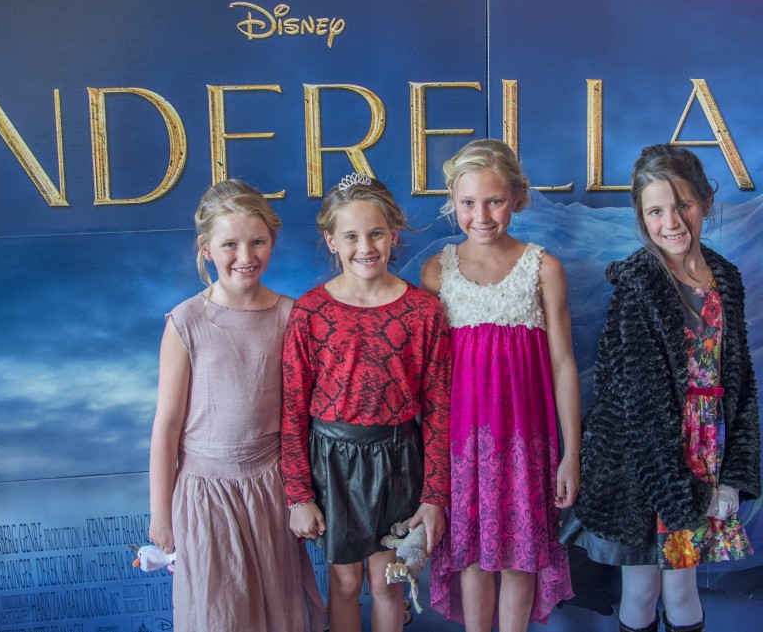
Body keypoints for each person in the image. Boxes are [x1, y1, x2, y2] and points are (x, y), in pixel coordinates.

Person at [561, 144, 759, 632]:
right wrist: (688, 496)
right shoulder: (638, 287)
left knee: (683, 586)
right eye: (655, 210)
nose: (671, 222)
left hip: (706, 453)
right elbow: (641, 410)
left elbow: (741, 384)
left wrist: (732, 475)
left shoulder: (725, 280)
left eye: (683, 205)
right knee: (648, 586)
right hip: (647, 466)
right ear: (640, 215)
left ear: (706, 203)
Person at [147, 180, 325, 632]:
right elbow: (167, 426)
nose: (245, 257)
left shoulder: (291, 315)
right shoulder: (186, 322)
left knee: (277, 609)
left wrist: (303, 494)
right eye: (230, 245)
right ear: (207, 249)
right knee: (218, 614)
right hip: (205, 491)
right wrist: (161, 515)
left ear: (272, 242)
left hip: (270, 488)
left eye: (257, 242)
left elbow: (301, 417)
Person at [281, 173, 451, 632]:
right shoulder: (310, 312)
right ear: (331, 240)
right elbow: (293, 408)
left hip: (399, 459)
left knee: (389, 580)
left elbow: (438, 407)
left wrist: (434, 495)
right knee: (345, 581)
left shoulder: (423, 311)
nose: (365, 246)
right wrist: (298, 493)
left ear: (394, 234)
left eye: (376, 233)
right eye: (351, 236)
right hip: (333, 462)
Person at [422, 139, 579, 631]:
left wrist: (570, 453)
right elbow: (428, 376)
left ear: (516, 196)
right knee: (471, 554)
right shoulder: (437, 272)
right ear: (453, 199)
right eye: (468, 202)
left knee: (520, 557)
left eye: (495, 200)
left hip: (526, 443)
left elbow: (563, 365)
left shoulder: (543, 268)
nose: (482, 215)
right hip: (462, 445)